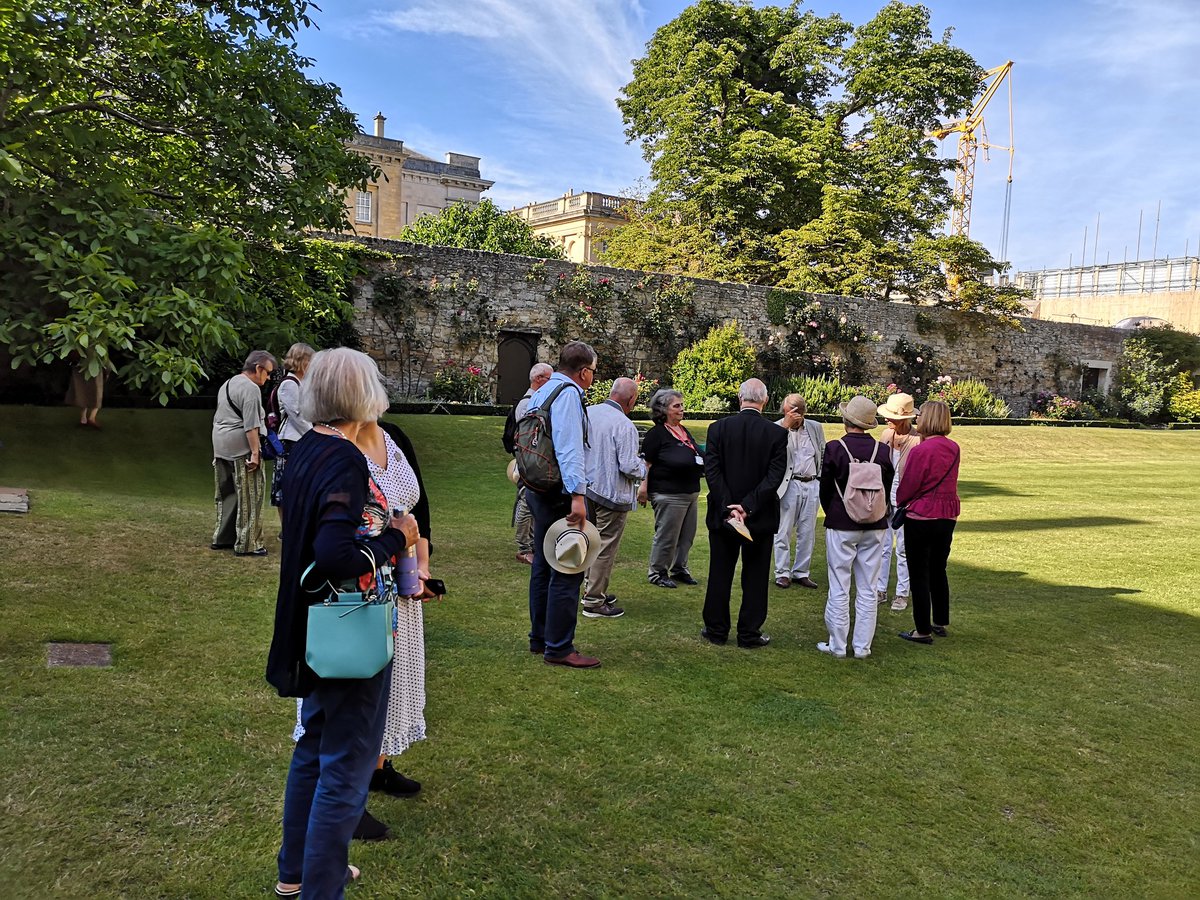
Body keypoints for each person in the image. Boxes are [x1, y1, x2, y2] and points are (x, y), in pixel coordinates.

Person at [266, 347, 420, 900]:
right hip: (349, 632)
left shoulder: (306, 448)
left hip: (316, 631)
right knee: (346, 766)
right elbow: (333, 555)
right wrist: (394, 539)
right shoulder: (345, 461)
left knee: (313, 748)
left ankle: (296, 873)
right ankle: (321, 886)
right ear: (363, 395)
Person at [525, 341, 602, 668]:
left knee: (543, 565)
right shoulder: (568, 394)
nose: (593, 378)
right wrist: (578, 496)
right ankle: (559, 647)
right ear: (584, 372)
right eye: (593, 372)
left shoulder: (543, 390)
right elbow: (569, 449)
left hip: (536, 487)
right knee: (569, 566)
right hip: (559, 492)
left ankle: (540, 638)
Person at [700, 379, 788, 648]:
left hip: (726, 514)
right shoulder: (774, 434)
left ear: (740, 398)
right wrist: (746, 507)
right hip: (758, 515)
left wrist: (731, 506)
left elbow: (712, 473)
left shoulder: (718, 429)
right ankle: (749, 632)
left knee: (720, 572)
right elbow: (774, 477)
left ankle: (716, 630)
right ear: (765, 400)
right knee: (756, 575)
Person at [817, 395, 895, 660]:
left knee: (839, 584)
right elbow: (887, 484)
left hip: (842, 523)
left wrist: (833, 512)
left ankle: (837, 645)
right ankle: (862, 646)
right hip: (875, 524)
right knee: (868, 587)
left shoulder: (835, 448)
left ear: (847, 419)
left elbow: (825, 487)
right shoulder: (882, 451)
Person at [897, 400, 961, 646]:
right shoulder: (953, 448)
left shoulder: (920, 451)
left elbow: (910, 485)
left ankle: (922, 628)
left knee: (919, 573)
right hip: (947, 514)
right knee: (938, 568)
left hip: (922, 515)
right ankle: (940, 620)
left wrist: (901, 500)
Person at [581, 377, 646, 619]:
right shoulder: (624, 424)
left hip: (586, 489)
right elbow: (629, 465)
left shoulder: (588, 412)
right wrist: (645, 469)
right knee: (605, 546)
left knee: (590, 542)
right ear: (631, 400)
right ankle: (594, 601)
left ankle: (590, 589)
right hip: (611, 493)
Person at [211, 350, 276, 557]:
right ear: (258, 368)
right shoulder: (251, 389)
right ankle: (249, 544)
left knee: (227, 493)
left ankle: (223, 538)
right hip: (241, 448)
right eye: (268, 373)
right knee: (250, 495)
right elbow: (251, 426)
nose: (268, 379)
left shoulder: (228, 383)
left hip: (220, 444)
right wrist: (255, 454)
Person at [638, 389, 705, 589]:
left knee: (686, 536)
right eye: (677, 406)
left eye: (681, 405)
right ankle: (658, 572)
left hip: (690, 492)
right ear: (663, 409)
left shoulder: (683, 430)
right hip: (668, 493)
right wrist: (643, 488)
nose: (681, 409)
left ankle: (679, 568)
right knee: (667, 535)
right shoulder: (657, 434)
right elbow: (646, 464)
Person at [772, 393, 826, 590]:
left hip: (811, 483)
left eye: (797, 414)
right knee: (783, 530)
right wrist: (785, 428)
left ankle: (801, 572)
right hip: (788, 485)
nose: (793, 417)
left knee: (807, 531)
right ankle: (782, 572)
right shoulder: (776, 428)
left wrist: (819, 479)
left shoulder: (815, 427)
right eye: (788, 413)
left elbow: (822, 452)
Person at [874, 393, 921, 610]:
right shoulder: (885, 435)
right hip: (884, 499)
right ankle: (880, 590)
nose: (886, 420)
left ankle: (902, 593)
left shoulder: (917, 439)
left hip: (905, 501)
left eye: (891, 416)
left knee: (902, 548)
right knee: (882, 546)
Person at [270, 343, 316, 523]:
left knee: (300, 486)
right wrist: (314, 438)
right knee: (286, 487)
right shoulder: (289, 384)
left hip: (300, 440)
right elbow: (298, 417)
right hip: (291, 441)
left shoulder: (300, 383)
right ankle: (286, 529)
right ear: (302, 361)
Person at [512, 363, 553, 564]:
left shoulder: (535, 401)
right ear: (539, 379)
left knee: (532, 504)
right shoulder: (527, 403)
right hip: (530, 463)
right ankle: (523, 548)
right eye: (549, 379)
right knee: (525, 503)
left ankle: (533, 545)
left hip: (536, 463)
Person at [66, 360, 105, 429]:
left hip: (82, 363)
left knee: (83, 390)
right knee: (90, 390)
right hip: (86, 363)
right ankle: (90, 418)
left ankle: (85, 418)